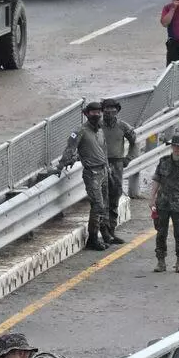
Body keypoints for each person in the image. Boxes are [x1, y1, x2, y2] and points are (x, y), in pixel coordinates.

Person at [61, 102, 111, 251]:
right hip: (91, 173)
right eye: (93, 112)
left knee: (104, 205)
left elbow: (104, 150)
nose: (96, 115)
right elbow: (70, 148)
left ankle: (105, 234)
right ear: (86, 114)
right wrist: (62, 163)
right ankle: (93, 238)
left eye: (98, 112)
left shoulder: (100, 130)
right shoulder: (80, 131)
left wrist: (108, 168)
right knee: (98, 205)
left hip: (103, 171)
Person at [151, 134, 179, 274]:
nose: (177, 149)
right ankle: (161, 261)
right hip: (163, 203)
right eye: (175, 146)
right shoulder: (163, 161)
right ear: (172, 147)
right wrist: (152, 198)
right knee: (161, 233)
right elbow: (157, 180)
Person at [100, 98, 138, 246]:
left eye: (112, 109)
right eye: (106, 108)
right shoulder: (97, 125)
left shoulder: (123, 126)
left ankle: (111, 231)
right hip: (101, 164)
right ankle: (102, 232)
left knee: (114, 196)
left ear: (117, 110)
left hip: (117, 164)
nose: (109, 111)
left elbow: (135, 143)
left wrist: (128, 158)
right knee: (101, 199)